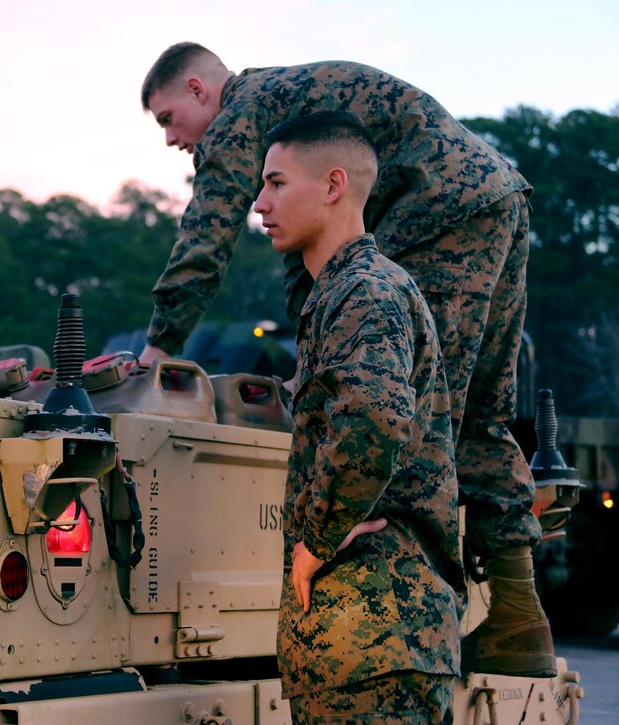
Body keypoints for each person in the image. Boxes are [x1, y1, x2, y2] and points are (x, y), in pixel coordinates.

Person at [138, 42, 554, 677]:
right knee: (477, 413)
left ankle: (402, 624)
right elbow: (312, 268)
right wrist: (311, 357)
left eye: (168, 118)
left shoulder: (240, 114)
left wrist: (159, 346)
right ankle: (520, 620)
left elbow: (207, 235)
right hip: (496, 198)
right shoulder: (288, 102)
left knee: (410, 410)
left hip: (434, 212)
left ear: (199, 90)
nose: (171, 139)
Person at [259, 110, 463, 722]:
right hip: (371, 642)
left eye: (276, 182)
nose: (260, 203)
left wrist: (315, 541)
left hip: (373, 638)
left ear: (333, 185)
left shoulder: (365, 290)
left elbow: (375, 414)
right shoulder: (343, 292)